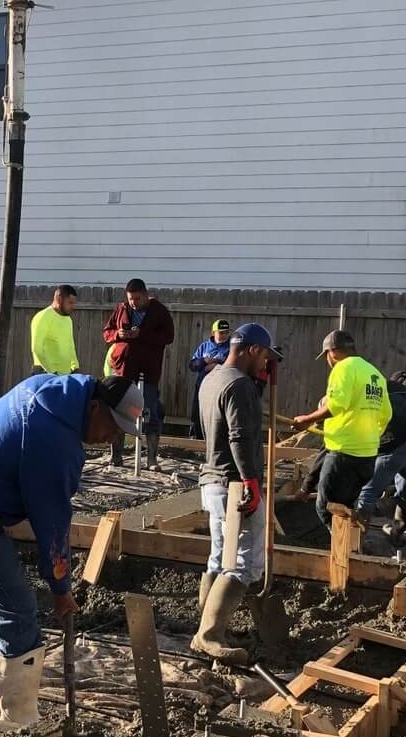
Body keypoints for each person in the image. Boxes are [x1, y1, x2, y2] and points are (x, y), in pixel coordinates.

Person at [0, 372, 145, 725]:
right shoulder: (55, 440)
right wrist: (61, 589)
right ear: (94, 407)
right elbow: (52, 523)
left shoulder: (57, 391)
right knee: (17, 612)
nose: (112, 439)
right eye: (112, 426)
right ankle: (20, 722)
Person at [193, 323, 285, 663]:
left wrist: (258, 382)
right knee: (244, 563)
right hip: (236, 485)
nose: (265, 364)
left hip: (212, 480)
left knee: (219, 557)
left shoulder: (212, 379)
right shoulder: (240, 386)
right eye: (264, 357)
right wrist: (251, 483)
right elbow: (239, 436)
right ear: (252, 349)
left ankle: (204, 629)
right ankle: (209, 635)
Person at [289, 329, 390, 533]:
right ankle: (355, 541)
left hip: (344, 453)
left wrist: (307, 420)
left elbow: (336, 405)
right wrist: (368, 438)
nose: (328, 360)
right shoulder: (375, 374)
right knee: (345, 507)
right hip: (367, 456)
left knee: (326, 509)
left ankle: (345, 547)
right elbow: (386, 415)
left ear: (333, 352)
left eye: (327, 355)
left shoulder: (343, 368)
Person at [101, 278, 175, 467]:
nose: (133, 302)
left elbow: (168, 336)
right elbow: (107, 332)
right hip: (123, 370)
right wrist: (118, 334)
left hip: (148, 372)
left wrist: (141, 334)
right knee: (119, 410)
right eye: (131, 299)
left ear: (145, 295)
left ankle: (151, 459)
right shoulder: (121, 309)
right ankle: (116, 456)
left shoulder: (159, 311)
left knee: (149, 412)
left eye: (137, 298)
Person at [356, 378, 406, 547]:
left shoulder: (371, 396)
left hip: (396, 446)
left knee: (367, 493)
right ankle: (397, 532)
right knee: (405, 490)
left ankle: (356, 544)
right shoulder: (401, 408)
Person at [187, 319, 232, 438]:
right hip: (202, 385)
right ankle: (196, 436)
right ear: (213, 333)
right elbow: (192, 365)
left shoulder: (231, 348)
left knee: (218, 415)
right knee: (197, 412)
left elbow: (233, 366)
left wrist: (216, 365)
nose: (224, 335)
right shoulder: (205, 346)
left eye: (226, 332)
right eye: (221, 332)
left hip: (220, 387)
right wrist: (203, 361)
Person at [29, 285, 80, 376]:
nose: (73, 306)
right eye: (70, 303)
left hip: (65, 375)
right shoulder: (43, 317)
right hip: (45, 375)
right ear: (58, 299)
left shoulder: (68, 320)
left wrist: (75, 367)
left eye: (73, 303)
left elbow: (70, 346)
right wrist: (52, 372)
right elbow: (37, 349)